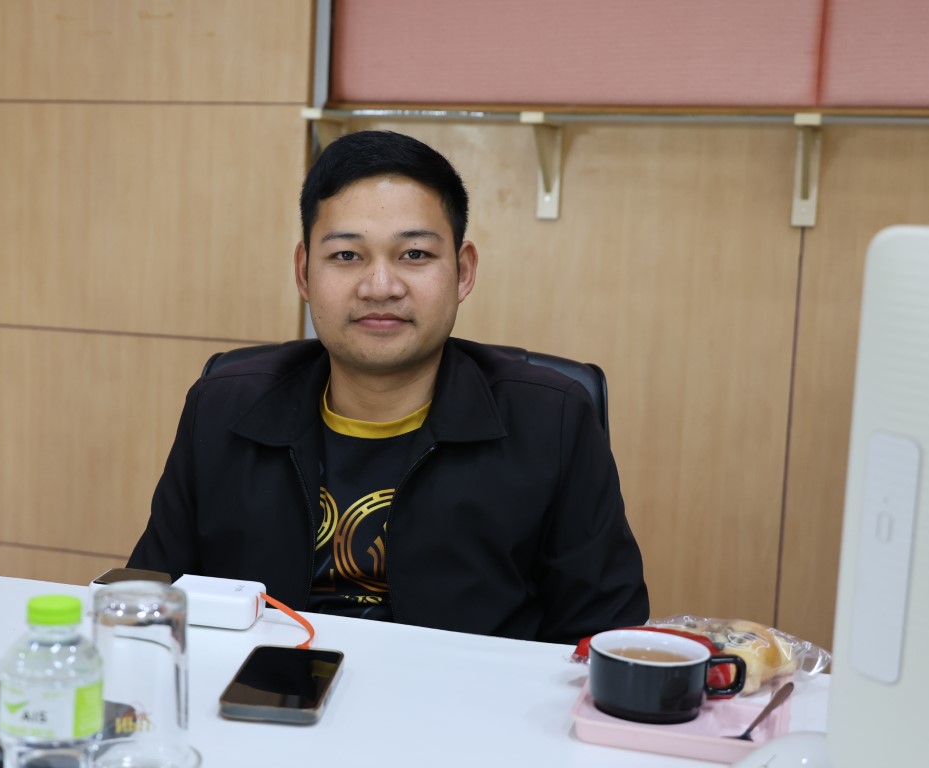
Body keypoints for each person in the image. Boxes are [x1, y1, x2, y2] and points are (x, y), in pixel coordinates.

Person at [128, 130, 648, 644]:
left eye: (414, 255)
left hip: (461, 697)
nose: (381, 287)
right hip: (260, 691)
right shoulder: (221, 408)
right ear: (304, 273)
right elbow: (148, 602)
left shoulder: (552, 421)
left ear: (463, 271)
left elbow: (602, 641)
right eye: (346, 256)